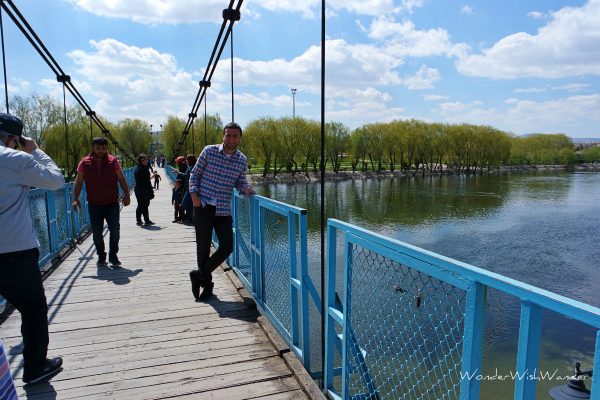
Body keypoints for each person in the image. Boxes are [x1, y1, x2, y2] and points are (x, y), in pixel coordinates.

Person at [0, 113, 64, 384]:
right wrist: (35, 150)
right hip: (14, 251)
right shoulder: (15, 159)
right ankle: (36, 366)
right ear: (14, 139)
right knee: (33, 308)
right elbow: (56, 180)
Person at [188, 122, 255, 301]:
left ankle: (198, 275)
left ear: (240, 138)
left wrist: (246, 188)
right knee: (202, 249)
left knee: (227, 247)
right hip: (202, 206)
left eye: (235, 136)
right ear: (223, 136)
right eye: (228, 135)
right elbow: (194, 174)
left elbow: (239, 181)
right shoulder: (209, 151)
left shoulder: (241, 159)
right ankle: (207, 286)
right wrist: (194, 195)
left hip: (223, 209)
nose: (231, 139)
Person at [72, 137, 131, 266]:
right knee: (97, 233)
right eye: (98, 148)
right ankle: (101, 255)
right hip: (94, 205)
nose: (101, 151)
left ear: (107, 148)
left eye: (103, 148)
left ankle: (113, 255)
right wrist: (75, 199)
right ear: (93, 148)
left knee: (115, 230)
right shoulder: (84, 163)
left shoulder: (113, 161)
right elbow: (78, 181)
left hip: (112, 203)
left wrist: (127, 194)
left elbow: (121, 178)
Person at [133, 154, 155, 226]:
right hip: (144, 189)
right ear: (142, 160)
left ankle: (138, 220)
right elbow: (147, 182)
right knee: (145, 204)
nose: (147, 161)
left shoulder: (137, 168)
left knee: (140, 204)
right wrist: (151, 191)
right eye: (146, 159)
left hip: (137, 189)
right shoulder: (144, 169)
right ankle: (147, 220)